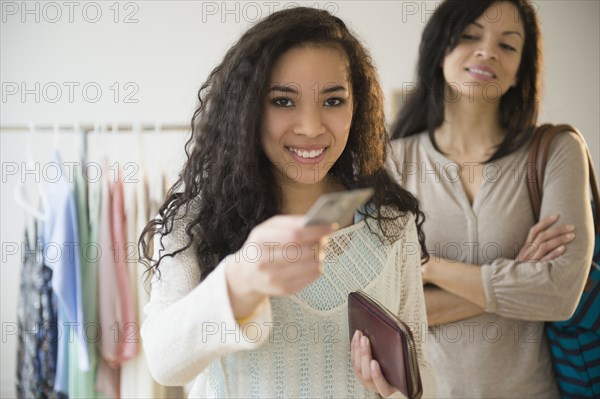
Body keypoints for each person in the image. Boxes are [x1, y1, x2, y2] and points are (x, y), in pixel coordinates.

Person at [139, 7, 433, 398]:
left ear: (356, 107)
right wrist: (241, 279)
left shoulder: (390, 223)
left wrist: (393, 392)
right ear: (248, 109)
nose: (311, 127)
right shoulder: (195, 221)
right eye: (283, 101)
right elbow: (164, 363)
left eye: (332, 101)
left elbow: (423, 376)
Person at [388, 0, 595, 397]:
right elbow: (392, 309)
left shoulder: (556, 151)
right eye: (469, 35)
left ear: (521, 70)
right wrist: (519, 274)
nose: (487, 51)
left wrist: (428, 268)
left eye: (508, 45)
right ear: (439, 50)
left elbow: (560, 294)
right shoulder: (393, 162)